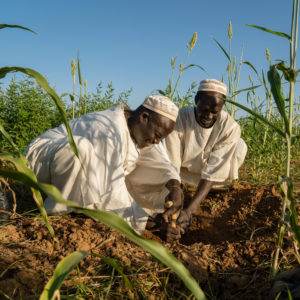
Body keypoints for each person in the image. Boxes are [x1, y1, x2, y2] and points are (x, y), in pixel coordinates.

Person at [26, 95, 181, 233]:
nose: (156, 141)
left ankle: (83, 207)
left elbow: (161, 162)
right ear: (144, 117)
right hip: (41, 162)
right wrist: (148, 223)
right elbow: (111, 190)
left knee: (159, 176)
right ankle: (57, 216)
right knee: (79, 149)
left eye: (161, 139)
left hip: (76, 171)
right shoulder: (108, 131)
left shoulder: (140, 130)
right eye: (157, 136)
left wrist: (174, 186)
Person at [126, 79, 247, 239]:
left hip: (209, 178)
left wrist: (189, 211)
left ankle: (211, 190)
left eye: (214, 112)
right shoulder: (179, 119)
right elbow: (171, 163)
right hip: (181, 174)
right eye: (204, 109)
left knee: (240, 146)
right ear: (196, 100)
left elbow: (214, 171)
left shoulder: (229, 127)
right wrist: (176, 196)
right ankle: (181, 193)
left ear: (222, 108)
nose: (208, 116)